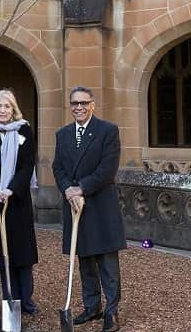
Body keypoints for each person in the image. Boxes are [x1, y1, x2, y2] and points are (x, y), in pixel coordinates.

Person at [52, 86, 124, 332]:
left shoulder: (107, 131)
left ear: (92, 104)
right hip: (75, 208)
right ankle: (92, 307)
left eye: (83, 102)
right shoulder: (62, 135)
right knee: (85, 261)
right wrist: (67, 191)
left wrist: (80, 188)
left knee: (107, 264)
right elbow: (57, 168)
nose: (79, 107)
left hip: (100, 205)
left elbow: (107, 169)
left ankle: (112, 312)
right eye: (74, 103)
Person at [0, 89, 39, 316]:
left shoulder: (24, 130)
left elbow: (27, 165)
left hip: (18, 200)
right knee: (3, 252)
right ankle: (9, 297)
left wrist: (11, 189)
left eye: (6, 106)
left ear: (13, 109)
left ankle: (26, 298)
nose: (2, 110)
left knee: (22, 253)